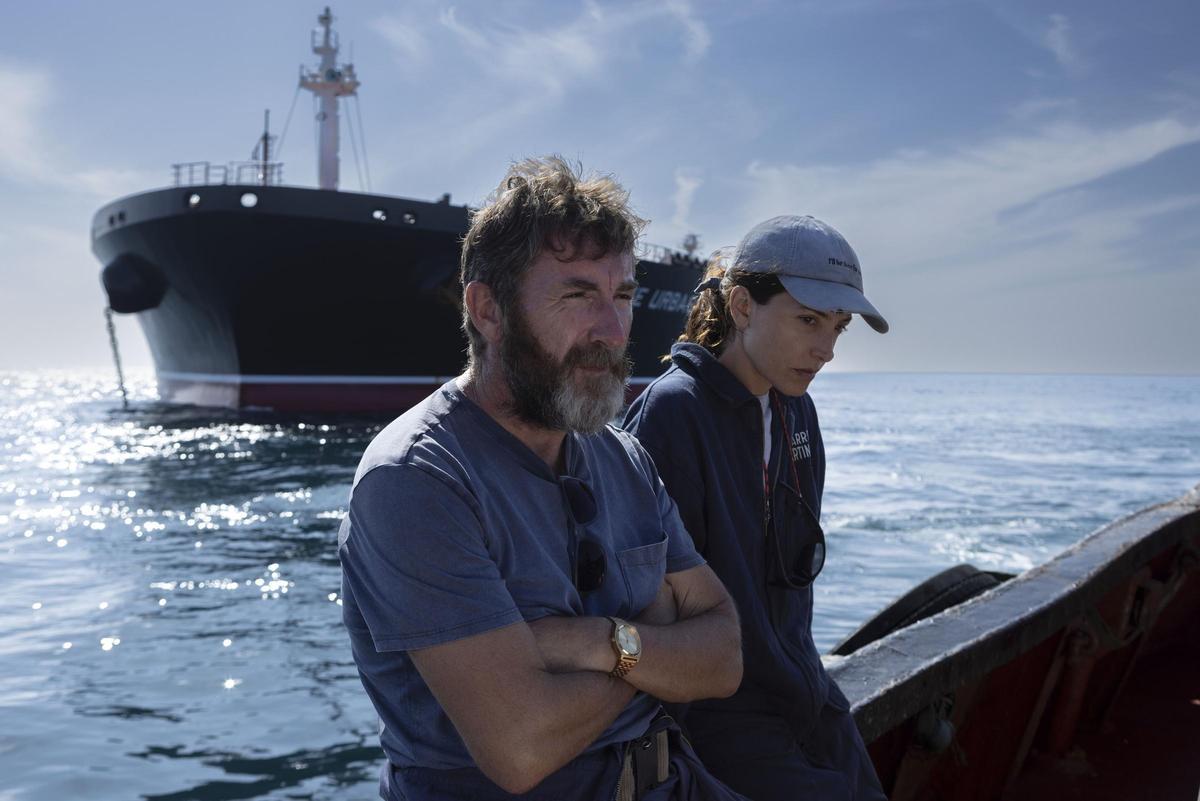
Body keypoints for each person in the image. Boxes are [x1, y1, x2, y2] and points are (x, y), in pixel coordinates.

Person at [338, 156, 748, 801]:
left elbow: (725, 657)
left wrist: (598, 642)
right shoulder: (418, 480)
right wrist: (659, 637)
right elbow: (521, 748)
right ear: (488, 309)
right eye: (578, 295)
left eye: (622, 296)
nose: (613, 332)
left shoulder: (624, 458)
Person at [623, 215, 891, 801]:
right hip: (716, 716)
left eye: (839, 328)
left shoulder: (797, 410)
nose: (825, 350)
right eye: (808, 320)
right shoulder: (673, 415)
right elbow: (650, 603)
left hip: (803, 691)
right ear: (742, 305)